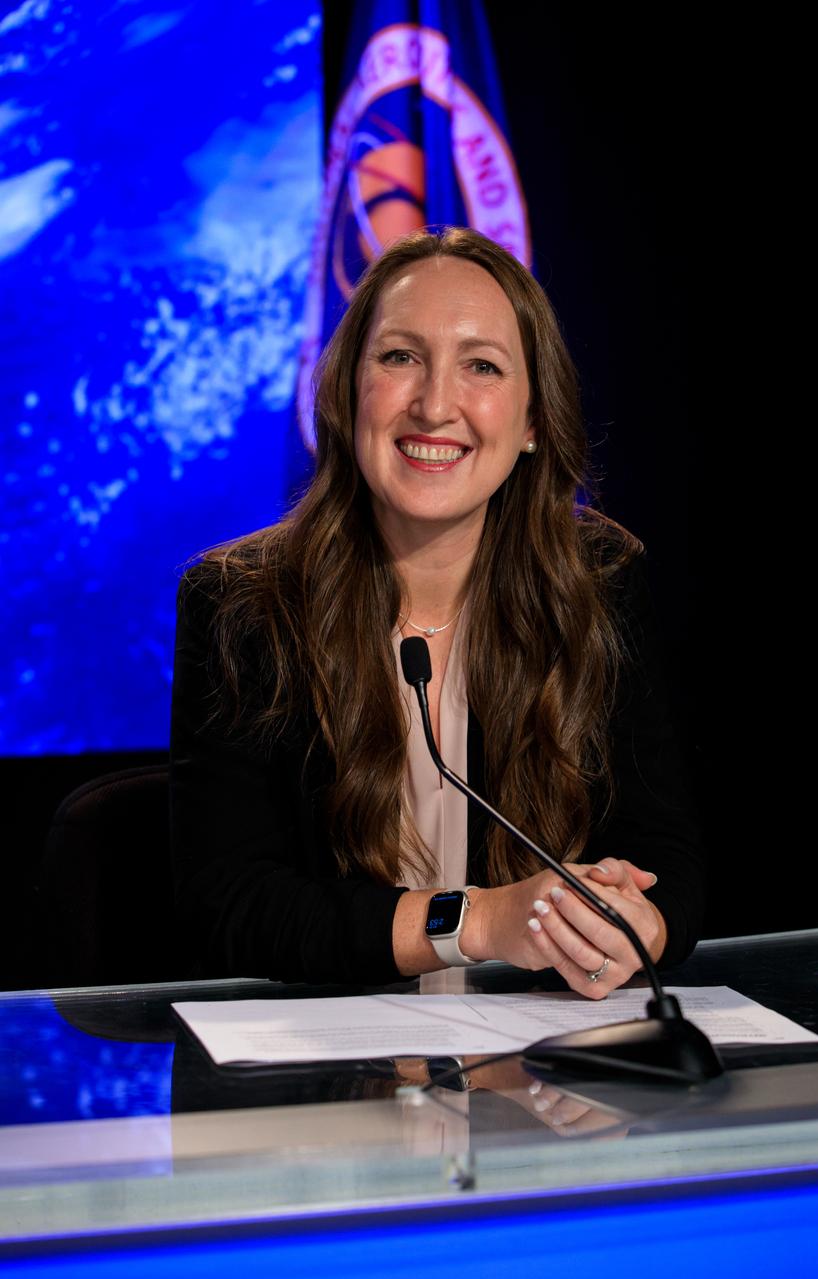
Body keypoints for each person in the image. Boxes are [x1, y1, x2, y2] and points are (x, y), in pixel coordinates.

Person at [169, 227, 702, 998]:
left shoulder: (598, 582)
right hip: (317, 1077)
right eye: (399, 357)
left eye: (480, 365)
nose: (434, 404)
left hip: (535, 1070)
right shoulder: (241, 601)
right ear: (347, 388)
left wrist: (633, 922)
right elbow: (231, 907)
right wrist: (478, 922)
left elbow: (668, 856)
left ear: (529, 424)